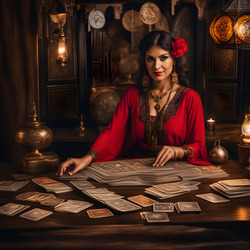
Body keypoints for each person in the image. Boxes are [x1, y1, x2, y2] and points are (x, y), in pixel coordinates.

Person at [58, 30, 210, 176]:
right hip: (135, 169)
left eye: (163, 58)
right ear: (144, 60)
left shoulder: (190, 98)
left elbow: (198, 146)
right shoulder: (132, 94)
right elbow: (113, 132)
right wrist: (87, 158)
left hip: (176, 171)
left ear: (174, 60)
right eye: (150, 59)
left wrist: (177, 151)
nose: (156, 66)